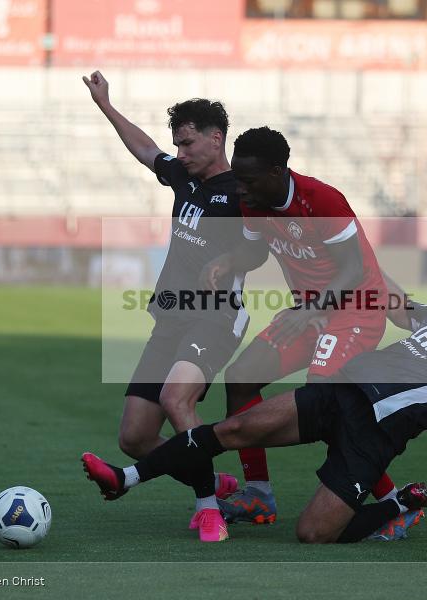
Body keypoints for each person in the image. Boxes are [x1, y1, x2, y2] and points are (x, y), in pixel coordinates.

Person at [82, 262, 427, 544]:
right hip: (338, 395)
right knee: (234, 429)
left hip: (374, 440)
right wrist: (347, 268)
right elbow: (395, 306)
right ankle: (126, 478)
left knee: (312, 535)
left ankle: (396, 507)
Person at [199, 126, 399, 526]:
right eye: (238, 178)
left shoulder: (321, 199)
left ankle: (393, 503)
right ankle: (258, 495)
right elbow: (256, 250)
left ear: (277, 173)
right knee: (240, 377)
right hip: (308, 312)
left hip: (356, 310)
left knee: (326, 403)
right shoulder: (255, 201)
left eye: (248, 179)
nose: (240, 188)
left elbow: (353, 269)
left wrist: (311, 311)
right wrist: (229, 261)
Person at [83, 71, 248, 541]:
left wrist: (232, 258)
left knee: (178, 400)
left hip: (217, 316)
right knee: (134, 436)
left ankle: (208, 507)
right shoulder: (183, 177)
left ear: (216, 140)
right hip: (171, 317)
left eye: (189, 144)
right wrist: (106, 106)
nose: (180, 154)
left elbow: (264, 246)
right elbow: (144, 150)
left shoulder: (242, 192)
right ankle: (212, 480)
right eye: (177, 145)